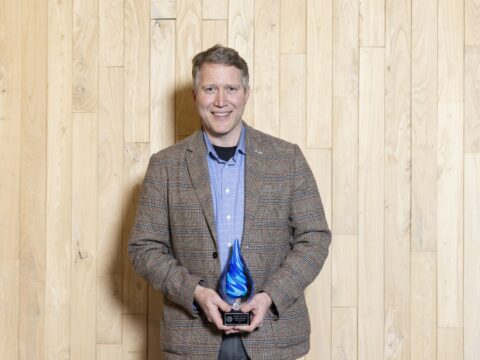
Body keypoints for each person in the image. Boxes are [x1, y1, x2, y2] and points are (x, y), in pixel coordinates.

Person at [128, 44, 331, 360]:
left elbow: (314, 238)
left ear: (246, 93)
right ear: (196, 95)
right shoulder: (165, 166)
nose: (221, 101)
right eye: (210, 89)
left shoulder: (286, 159)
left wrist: (270, 297)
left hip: (273, 339)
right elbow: (144, 248)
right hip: (193, 341)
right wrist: (194, 293)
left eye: (231, 88)